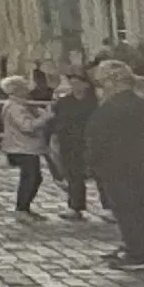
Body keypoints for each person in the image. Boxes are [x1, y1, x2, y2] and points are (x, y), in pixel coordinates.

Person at [94, 62, 144, 271]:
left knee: (128, 211)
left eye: (102, 83)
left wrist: (94, 165)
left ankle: (138, 252)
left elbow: (96, 140)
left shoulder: (109, 108)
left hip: (118, 168)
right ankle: (140, 247)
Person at [0, 77, 56, 218]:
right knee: (30, 177)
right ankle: (21, 209)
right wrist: (46, 118)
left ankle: (25, 208)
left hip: (27, 148)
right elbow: (27, 126)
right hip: (21, 148)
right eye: (24, 86)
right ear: (16, 89)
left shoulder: (23, 105)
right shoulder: (14, 107)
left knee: (34, 177)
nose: (28, 89)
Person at [52, 66, 101, 223]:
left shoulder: (94, 102)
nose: (74, 86)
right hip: (70, 143)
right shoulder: (65, 102)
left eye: (77, 83)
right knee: (74, 175)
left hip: (91, 141)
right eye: (72, 83)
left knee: (101, 174)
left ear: (86, 84)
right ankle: (75, 207)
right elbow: (57, 119)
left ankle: (109, 206)